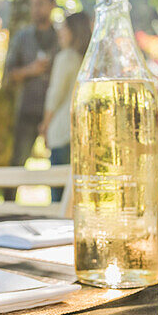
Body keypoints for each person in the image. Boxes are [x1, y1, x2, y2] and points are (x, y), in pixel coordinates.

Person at [4, 0, 60, 172]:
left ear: (52, 6)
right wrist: (31, 70)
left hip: (56, 110)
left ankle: (60, 200)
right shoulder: (22, 37)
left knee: (60, 162)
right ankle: (9, 201)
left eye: (41, 4)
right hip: (27, 108)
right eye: (33, 5)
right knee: (18, 162)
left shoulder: (62, 36)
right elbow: (8, 74)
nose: (36, 9)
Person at [39, 11, 92, 200]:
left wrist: (45, 125)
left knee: (59, 195)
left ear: (74, 31)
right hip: (83, 132)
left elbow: (55, 95)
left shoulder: (66, 57)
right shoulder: (90, 60)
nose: (60, 33)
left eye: (64, 29)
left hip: (62, 131)